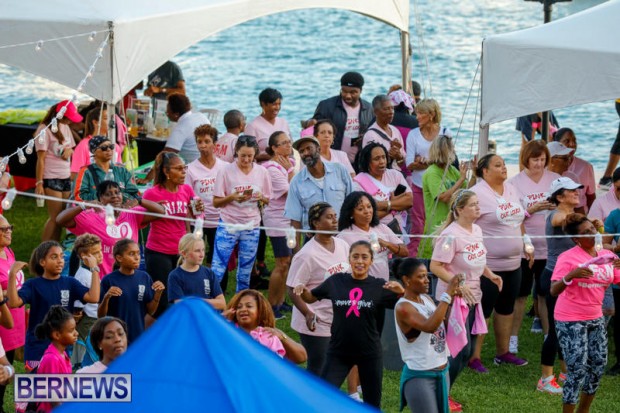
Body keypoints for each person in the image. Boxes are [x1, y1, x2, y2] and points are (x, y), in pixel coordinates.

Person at [294, 240, 405, 408]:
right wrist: (303, 291)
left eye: (364, 257)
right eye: (355, 256)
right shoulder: (336, 281)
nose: (360, 261)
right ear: (349, 259)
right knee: (323, 396)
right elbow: (311, 298)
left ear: (371, 261)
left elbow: (406, 305)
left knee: (372, 404)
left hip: (369, 352)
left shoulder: (379, 286)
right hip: (339, 351)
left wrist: (402, 292)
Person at [429, 189, 501, 412]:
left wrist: (490, 274)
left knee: (466, 351)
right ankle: (441, 394)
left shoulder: (476, 229)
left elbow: (477, 258)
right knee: (458, 350)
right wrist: (457, 286)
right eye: (473, 205)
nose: (478, 208)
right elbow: (435, 266)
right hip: (452, 300)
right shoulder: (451, 235)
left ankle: (444, 391)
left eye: (478, 203)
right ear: (459, 210)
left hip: (472, 297)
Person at [550, 214, 620, 412]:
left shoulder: (607, 256)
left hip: (596, 317)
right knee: (577, 370)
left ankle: (584, 410)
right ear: (576, 239)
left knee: (598, 365)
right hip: (570, 320)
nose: (593, 234)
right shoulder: (568, 257)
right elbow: (554, 290)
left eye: (593, 229)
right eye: (586, 232)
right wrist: (571, 276)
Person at [468, 154, 528, 372]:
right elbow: (465, 224)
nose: (504, 168)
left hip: (514, 264)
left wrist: (526, 242)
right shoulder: (476, 193)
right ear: (485, 171)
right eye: (498, 165)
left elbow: (519, 218)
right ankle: (473, 356)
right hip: (488, 266)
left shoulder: (511, 189)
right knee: (483, 310)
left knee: (506, 308)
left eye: (503, 164)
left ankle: (503, 353)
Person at [7, 241, 99, 371]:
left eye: (61, 256)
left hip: (62, 346)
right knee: (36, 381)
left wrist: (94, 269)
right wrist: (12, 274)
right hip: (36, 348)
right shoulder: (33, 284)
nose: (60, 261)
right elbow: (13, 303)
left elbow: (93, 298)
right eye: (54, 257)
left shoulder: (70, 282)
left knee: (59, 382)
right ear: (42, 262)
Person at [286, 202, 350, 375]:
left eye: (335, 216)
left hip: (337, 317)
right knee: (318, 367)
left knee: (334, 365)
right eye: (329, 217)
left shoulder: (343, 245)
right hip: (316, 320)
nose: (335, 221)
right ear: (316, 223)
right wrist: (307, 313)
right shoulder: (307, 255)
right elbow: (292, 288)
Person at [507, 140, 560, 351]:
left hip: (550, 247)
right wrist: (532, 209)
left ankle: (549, 336)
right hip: (526, 248)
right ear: (526, 160)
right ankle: (512, 339)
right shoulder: (514, 183)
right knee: (521, 295)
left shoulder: (554, 179)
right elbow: (511, 216)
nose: (539, 164)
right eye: (535, 159)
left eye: (542, 159)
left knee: (546, 293)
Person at [57, 180, 165, 277]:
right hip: (99, 279)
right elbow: (60, 220)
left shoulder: (132, 213)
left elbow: (161, 212)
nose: (114, 196)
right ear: (100, 199)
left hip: (127, 278)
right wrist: (83, 206)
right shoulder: (90, 215)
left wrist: (139, 200)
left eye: (117, 192)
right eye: (108, 194)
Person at [394, 258, 460, 413]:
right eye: (421, 276)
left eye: (426, 275)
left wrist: (454, 302)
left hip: (443, 370)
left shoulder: (426, 298)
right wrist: (447, 295)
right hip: (420, 375)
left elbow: (441, 322)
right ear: (406, 280)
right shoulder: (403, 307)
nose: (427, 280)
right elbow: (429, 326)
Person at [537, 177, 583, 394]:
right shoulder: (556, 215)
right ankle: (545, 379)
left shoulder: (574, 217)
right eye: (571, 190)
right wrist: (581, 219)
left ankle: (565, 372)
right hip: (555, 278)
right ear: (559, 196)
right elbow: (558, 220)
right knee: (556, 331)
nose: (577, 192)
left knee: (567, 328)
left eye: (577, 189)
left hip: (568, 279)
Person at [143, 152, 201, 316]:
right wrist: (157, 212)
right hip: (158, 252)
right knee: (163, 299)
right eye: (179, 169)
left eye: (184, 168)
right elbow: (141, 221)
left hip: (182, 251)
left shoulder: (187, 189)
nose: (184, 172)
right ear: (166, 172)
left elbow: (192, 216)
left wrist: (198, 210)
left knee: (183, 293)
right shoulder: (152, 193)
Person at [212, 136, 271, 292]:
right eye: (242, 155)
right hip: (228, 224)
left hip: (251, 225)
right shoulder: (225, 171)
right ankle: (211, 302)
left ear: (255, 154)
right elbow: (216, 202)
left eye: (250, 156)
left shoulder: (262, 172)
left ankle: (241, 302)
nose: (246, 159)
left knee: (245, 272)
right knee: (217, 268)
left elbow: (268, 200)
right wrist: (232, 197)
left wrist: (260, 197)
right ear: (236, 152)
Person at [405, 98, 451, 256]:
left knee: (440, 222)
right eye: (416, 113)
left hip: (440, 185)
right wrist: (434, 161)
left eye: (420, 113)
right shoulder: (413, 135)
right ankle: (416, 258)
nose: (416, 117)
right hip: (419, 186)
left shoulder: (445, 133)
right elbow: (409, 164)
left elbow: (449, 160)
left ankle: (439, 255)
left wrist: (425, 161)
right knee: (418, 225)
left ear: (431, 115)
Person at [99, 239, 165, 343]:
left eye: (138, 253)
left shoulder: (144, 277)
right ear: (119, 258)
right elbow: (101, 315)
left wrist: (158, 294)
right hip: (117, 338)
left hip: (138, 337)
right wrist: (106, 297)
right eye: (131, 254)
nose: (137, 257)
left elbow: (150, 311)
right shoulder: (109, 280)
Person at [418, 135, 473, 259]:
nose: (454, 152)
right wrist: (461, 180)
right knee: (434, 260)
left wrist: (474, 174)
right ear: (443, 151)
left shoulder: (451, 170)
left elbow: (467, 190)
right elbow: (443, 197)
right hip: (437, 226)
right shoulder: (432, 172)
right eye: (451, 149)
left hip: (452, 223)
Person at [284, 135, 353, 232]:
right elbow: (295, 219)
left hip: (342, 232)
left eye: (309, 148)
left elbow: (352, 202)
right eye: (301, 151)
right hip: (313, 236)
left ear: (319, 149)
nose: (305, 153)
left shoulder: (340, 170)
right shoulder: (296, 182)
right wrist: (295, 242)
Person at [137, 95, 210, 185]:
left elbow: (163, 157)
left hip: (196, 173)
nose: (166, 112)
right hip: (209, 167)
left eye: (168, 110)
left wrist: (147, 179)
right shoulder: (201, 116)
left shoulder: (181, 128)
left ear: (176, 114)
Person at [185, 124, 229, 272]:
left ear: (215, 144)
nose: (203, 145)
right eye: (199, 141)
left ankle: (214, 281)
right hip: (198, 221)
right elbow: (187, 196)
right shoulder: (190, 169)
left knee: (217, 258)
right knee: (195, 256)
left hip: (220, 219)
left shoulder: (225, 167)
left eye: (207, 141)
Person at [34, 101, 80, 241]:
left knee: (62, 219)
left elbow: (71, 148)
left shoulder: (65, 127)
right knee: (55, 218)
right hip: (51, 177)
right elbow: (41, 159)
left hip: (65, 176)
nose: (70, 121)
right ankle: (43, 249)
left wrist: (69, 151)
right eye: (68, 118)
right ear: (60, 115)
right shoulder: (44, 130)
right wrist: (39, 183)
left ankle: (54, 247)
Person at [337, 192, 408, 283]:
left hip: (383, 285)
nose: (367, 211)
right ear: (351, 213)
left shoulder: (382, 228)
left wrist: (387, 244)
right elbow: (342, 267)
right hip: (360, 286)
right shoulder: (344, 236)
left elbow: (405, 252)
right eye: (360, 209)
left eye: (369, 207)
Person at [225, 289, 307, 364]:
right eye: (239, 307)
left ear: (260, 310)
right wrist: (220, 319)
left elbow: (301, 358)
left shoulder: (269, 335)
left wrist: (282, 337)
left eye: (249, 306)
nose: (243, 309)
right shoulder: (227, 329)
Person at [308, 71, 374, 162]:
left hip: (359, 161)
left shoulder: (369, 109)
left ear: (360, 91)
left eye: (353, 92)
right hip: (333, 160)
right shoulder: (326, 106)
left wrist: (364, 138)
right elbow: (314, 129)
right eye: (344, 91)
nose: (348, 96)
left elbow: (372, 132)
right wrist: (309, 123)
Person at [262, 131, 295, 318]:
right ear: (274, 148)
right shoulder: (272, 169)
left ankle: (281, 301)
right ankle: (271, 305)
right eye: (284, 143)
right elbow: (292, 192)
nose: (289, 145)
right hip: (277, 220)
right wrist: (290, 173)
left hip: (287, 219)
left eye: (289, 142)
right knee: (281, 263)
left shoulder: (288, 163)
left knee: (287, 262)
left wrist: (290, 170)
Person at [353, 142, 412, 234]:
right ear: (367, 162)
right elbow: (367, 216)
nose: (382, 161)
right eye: (377, 159)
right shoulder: (359, 182)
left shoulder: (395, 175)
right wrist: (395, 205)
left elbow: (409, 201)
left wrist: (385, 204)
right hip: (374, 232)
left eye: (384, 157)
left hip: (398, 230)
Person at [34, 305, 78, 413]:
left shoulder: (63, 354)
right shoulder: (52, 359)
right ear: (57, 335)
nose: (76, 333)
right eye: (71, 330)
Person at [0, 216, 24, 408]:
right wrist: (13, 276)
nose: (8, 231)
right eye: (3, 229)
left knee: (8, 371)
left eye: (10, 227)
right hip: (2, 324)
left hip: (16, 322)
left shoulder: (8, 251)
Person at [74, 135, 139, 202]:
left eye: (111, 147)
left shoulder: (122, 171)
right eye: (104, 148)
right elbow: (79, 197)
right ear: (94, 151)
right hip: (97, 208)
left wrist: (119, 197)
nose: (109, 149)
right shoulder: (86, 172)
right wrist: (103, 196)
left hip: (122, 207)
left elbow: (135, 194)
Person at [167, 234, 225, 309]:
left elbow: (222, 303)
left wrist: (195, 301)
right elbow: (180, 305)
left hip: (207, 316)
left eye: (203, 250)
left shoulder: (209, 273)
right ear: (184, 253)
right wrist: (209, 302)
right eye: (197, 251)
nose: (202, 255)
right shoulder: (175, 276)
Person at [71, 106, 123, 179]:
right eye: (106, 118)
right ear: (95, 122)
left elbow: (120, 171)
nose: (111, 121)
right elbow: (75, 174)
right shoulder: (84, 146)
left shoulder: (115, 146)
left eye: (112, 118)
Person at [71, 234, 103, 345]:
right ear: (84, 255)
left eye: (100, 250)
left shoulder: (91, 272)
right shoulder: (83, 276)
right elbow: (78, 306)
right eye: (95, 253)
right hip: (88, 321)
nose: (100, 255)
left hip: (95, 318)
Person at [244, 88, 292, 163]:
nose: (277, 107)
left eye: (279, 104)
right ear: (263, 104)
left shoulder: (283, 122)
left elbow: (291, 147)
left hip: (287, 166)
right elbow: (247, 153)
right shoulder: (252, 126)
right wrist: (273, 157)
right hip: (265, 167)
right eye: (274, 104)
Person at [556, 128, 596, 212]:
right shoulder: (549, 166)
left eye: (574, 141)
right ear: (557, 143)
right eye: (567, 141)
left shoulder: (586, 167)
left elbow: (591, 197)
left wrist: (591, 216)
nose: (572, 144)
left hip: (580, 214)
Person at [362, 95, 406, 170]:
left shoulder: (395, 130)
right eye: (386, 109)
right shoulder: (370, 135)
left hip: (396, 174)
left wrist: (399, 156)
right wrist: (389, 155)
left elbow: (401, 163)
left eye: (392, 108)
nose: (391, 112)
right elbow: (369, 163)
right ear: (375, 112)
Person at [547, 141, 585, 214]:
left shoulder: (572, 177)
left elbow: (579, 207)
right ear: (551, 160)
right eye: (565, 158)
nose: (569, 160)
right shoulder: (540, 178)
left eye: (569, 157)